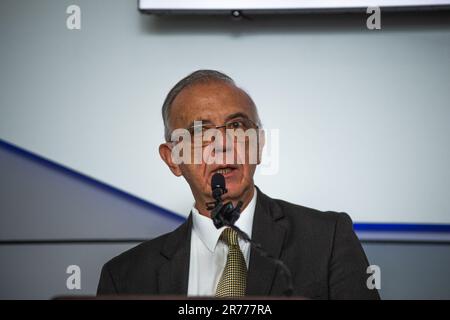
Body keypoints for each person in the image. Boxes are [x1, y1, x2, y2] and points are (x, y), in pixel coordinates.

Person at [97, 69, 380, 299]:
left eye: (237, 127)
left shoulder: (328, 239)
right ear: (172, 158)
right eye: (200, 131)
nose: (222, 145)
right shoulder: (125, 276)